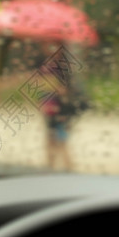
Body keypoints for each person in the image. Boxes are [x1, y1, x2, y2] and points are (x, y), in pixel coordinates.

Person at [39, 42, 90, 171]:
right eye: (47, 44)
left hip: (62, 109)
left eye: (53, 45)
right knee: (51, 138)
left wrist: (54, 87)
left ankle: (68, 168)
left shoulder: (64, 67)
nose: (49, 48)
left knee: (61, 140)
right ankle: (50, 166)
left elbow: (66, 90)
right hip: (49, 107)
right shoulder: (46, 64)